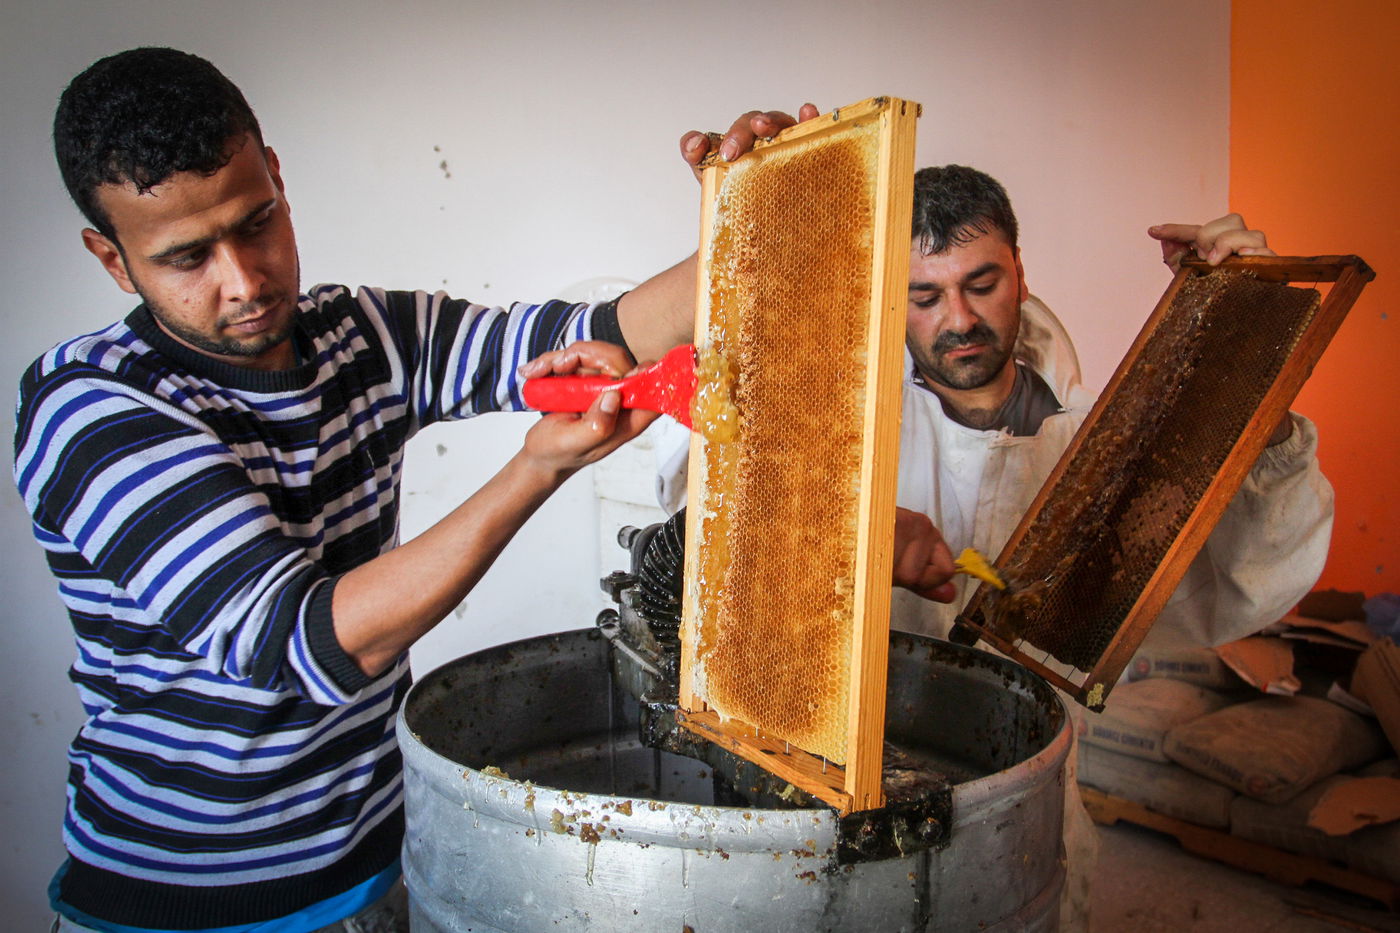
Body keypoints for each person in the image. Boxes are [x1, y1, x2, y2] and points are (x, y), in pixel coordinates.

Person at [15, 46, 697, 933]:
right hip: (183, 906)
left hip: (379, 870)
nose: (246, 280)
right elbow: (316, 645)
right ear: (112, 260)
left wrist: (754, 211)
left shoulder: (360, 333)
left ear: (278, 178)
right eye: (187, 257)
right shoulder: (95, 408)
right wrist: (539, 467)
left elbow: (600, 331)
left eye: (257, 222)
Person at [663, 112, 1333, 932]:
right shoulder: (829, 415)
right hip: (831, 812)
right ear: (887, 296)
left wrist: (1251, 348)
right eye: (924, 295)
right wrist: (844, 529)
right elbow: (704, 539)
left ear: (1021, 271)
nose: (959, 319)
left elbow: (1237, 587)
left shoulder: (1100, 441)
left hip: (1027, 822)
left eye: (982, 283)